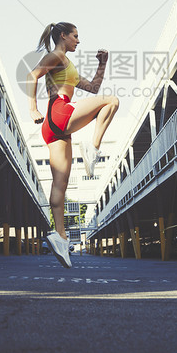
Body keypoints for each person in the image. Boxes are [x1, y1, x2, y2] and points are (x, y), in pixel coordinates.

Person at [27, 22, 119, 268]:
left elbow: (93, 88)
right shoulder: (56, 55)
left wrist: (102, 64)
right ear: (63, 36)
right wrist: (33, 108)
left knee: (60, 184)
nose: (78, 41)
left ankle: (60, 237)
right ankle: (94, 148)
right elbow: (32, 75)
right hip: (58, 111)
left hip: (54, 127)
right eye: (75, 36)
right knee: (111, 101)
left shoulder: (69, 65)